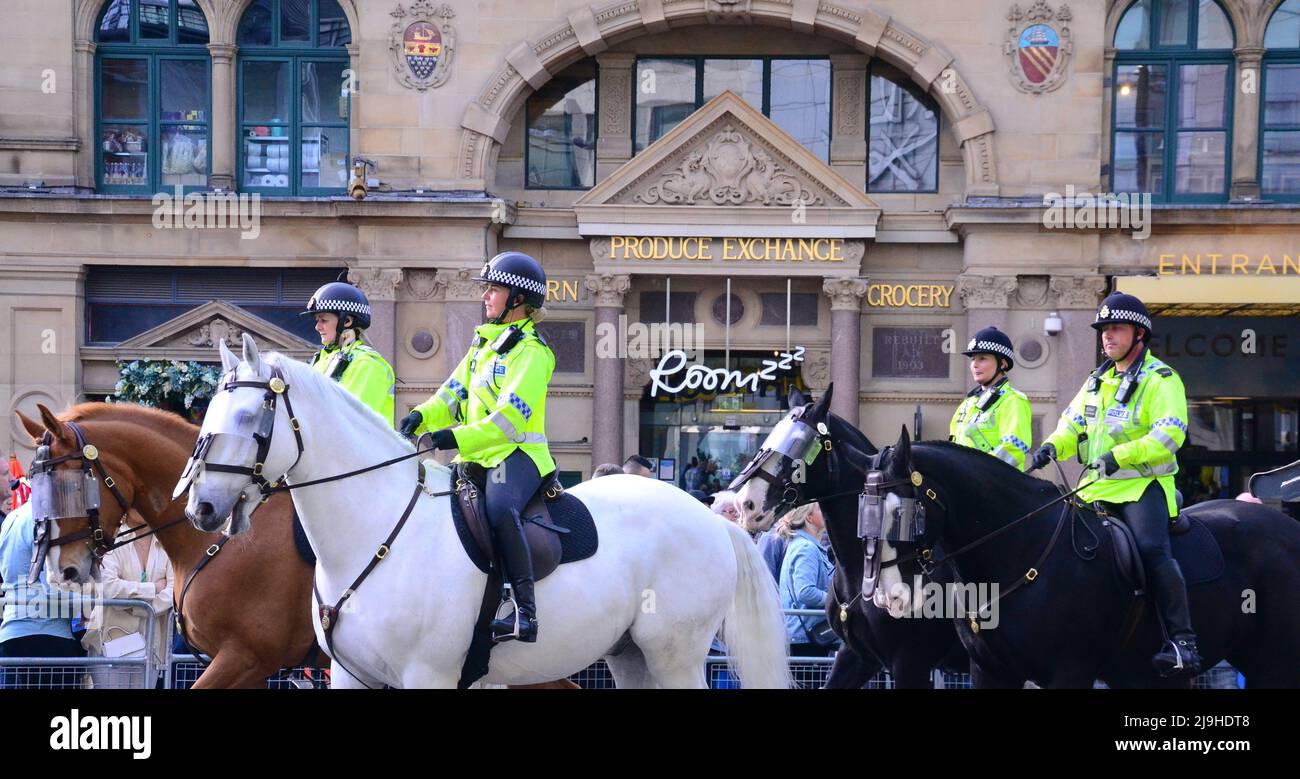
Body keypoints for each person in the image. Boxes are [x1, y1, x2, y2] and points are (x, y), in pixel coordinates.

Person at [1029, 292, 1201, 677]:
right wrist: (1051, 446)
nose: (1108, 336)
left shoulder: (1161, 380)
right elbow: (1072, 425)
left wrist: (1120, 456)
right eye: (1104, 329)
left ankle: (1182, 642)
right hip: (1092, 490)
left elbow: (1170, 437)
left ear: (1139, 334)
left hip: (1142, 488)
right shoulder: (1095, 382)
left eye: (1117, 328)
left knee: (1154, 551)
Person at [397, 251, 555, 644]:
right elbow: (450, 395)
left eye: (494, 288)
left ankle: (524, 612)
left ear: (517, 299)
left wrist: (453, 437)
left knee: (501, 508)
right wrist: (421, 416)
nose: (486, 296)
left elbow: (506, 423)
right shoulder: (483, 347)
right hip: (476, 456)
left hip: (517, 456)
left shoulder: (533, 354)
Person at [82, 514, 174, 689]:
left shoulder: (167, 543)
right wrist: (153, 588)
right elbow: (109, 587)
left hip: (152, 647)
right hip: (109, 643)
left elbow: (172, 592)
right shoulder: (112, 540)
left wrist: (136, 606)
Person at [0, 502, 86, 688]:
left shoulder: (11, 518)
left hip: (11, 636)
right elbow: (50, 589)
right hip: (48, 638)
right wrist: (90, 602)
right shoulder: (46, 520)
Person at [302, 280, 397, 423]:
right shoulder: (322, 360)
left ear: (346, 321)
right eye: (317, 320)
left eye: (323, 320)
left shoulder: (367, 364)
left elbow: (351, 421)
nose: (317, 327)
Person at [949, 326, 1033, 470]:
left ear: (1002, 363)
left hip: (996, 488)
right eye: (973, 359)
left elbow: (1013, 449)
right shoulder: (967, 403)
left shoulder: (1013, 401)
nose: (975, 364)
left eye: (982, 358)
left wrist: (978, 473)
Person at [778, 503, 835, 667]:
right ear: (809, 517)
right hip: (806, 638)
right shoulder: (806, 548)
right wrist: (835, 601)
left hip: (804, 636)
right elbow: (805, 592)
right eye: (819, 508)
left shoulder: (803, 545)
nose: (825, 511)